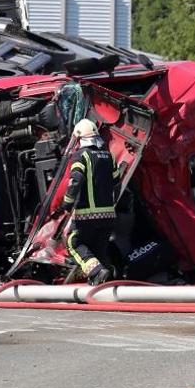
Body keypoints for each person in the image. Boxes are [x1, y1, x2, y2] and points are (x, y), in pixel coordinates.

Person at [61, 118, 119, 285]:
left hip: (87, 215)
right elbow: (117, 183)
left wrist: (67, 204)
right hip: (108, 215)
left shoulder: (81, 155)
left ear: (80, 138)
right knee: (99, 249)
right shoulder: (109, 156)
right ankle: (107, 281)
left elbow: (75, 181)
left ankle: (96, 272)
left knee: (74, 242)